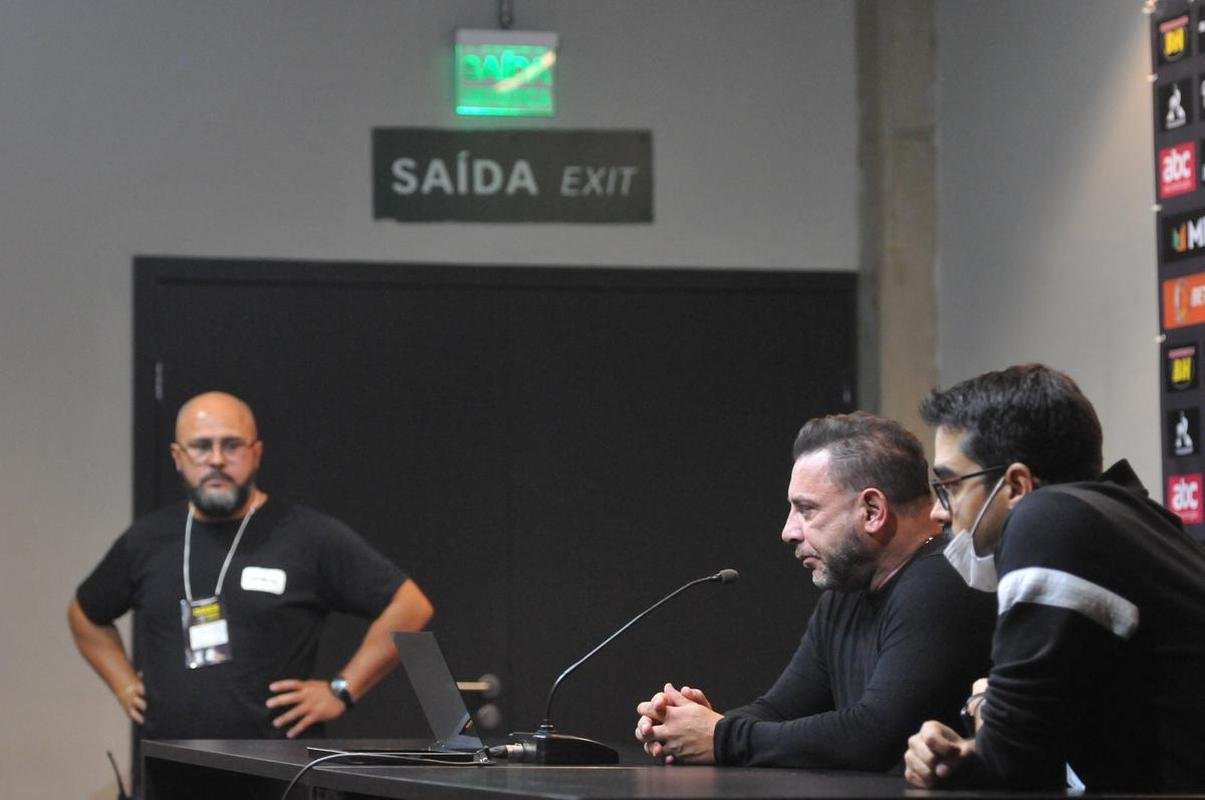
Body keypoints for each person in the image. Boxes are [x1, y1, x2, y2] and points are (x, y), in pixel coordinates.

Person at [68, 392, 434, 782]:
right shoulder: (146, 540)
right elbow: (85, 615)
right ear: (178, 456)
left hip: (278, 774)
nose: (217, 459)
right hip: (168, 770)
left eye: (231, 445)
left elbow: (411, 607)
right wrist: (124, 686)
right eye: (201, 446)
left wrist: (341, 689)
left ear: (256, 453)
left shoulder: (307, 536)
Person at [633, 411, 996, 768]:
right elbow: (779, 711)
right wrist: (685, 727)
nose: (788, 531)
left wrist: (720, 736)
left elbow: (874, 734)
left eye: (806, 510)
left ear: (872, 510)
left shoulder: (941, 583)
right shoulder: (845, 594)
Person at [904, 364, 1205, 792]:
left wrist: (983, 703)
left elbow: (1014, 765)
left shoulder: (1046, 518)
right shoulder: (1133, 517)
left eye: (950, 485)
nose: (939, 511)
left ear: (1016, 486)